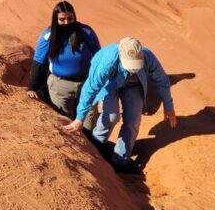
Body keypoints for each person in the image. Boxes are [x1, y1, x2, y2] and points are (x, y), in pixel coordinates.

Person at [61, 36, 177, 172]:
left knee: (133, 121)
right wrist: (80, 118)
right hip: (111, 83)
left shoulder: (148, 56)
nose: (132, 69)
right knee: (111, 116)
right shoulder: (107, 61)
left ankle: (120, 161)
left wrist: (169, 107)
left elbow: (162, 81)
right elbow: (90, 88)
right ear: (121, 56)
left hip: (134, 85)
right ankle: (97, 148)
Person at [27, 1, 101, 127]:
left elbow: (99, 56)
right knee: (66, 122)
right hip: (60, 86)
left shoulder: (85, 32)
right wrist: (32, 87)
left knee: (89, 123)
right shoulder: (48, 36)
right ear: (56, 19)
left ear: (74, 17)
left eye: (70, 18)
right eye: (62, 19)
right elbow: (38, 62)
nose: (66, 22)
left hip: (86, 84)